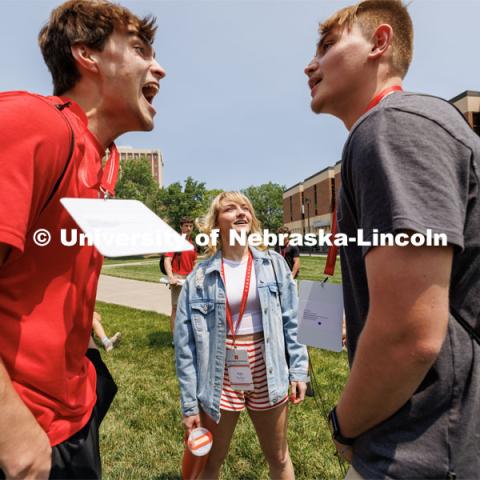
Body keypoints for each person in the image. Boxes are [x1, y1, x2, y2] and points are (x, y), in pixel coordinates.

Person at [304, 1, 480, 478]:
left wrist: (345, 423)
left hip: (420, 446)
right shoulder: (397, 129)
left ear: (380, 43)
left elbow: (409, 333)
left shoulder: (391, 127)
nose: (309, 63)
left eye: (326, 46)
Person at [0, 1, 165, 477]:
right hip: (23, 437)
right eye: (139, 49)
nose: (159, 67)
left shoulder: (105, 161)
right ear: (86, 56)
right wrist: (13, 433)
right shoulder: (33, 125)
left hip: (76, 419)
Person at [174, 191, 309, 480]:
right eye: (230, 208)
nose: (240, 212)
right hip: (219, 373)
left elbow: (292, 322)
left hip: (267, 367)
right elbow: (184, 347)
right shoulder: (199, 277)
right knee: (211, 461)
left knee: (279, 456)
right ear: (215, 223)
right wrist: (188, 404)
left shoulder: (273, 265)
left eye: (245, 208)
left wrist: (299, 370)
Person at [164, 217, 197, 335]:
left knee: (190, 308)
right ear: (181, 227)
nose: (188, 228)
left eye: (190, 226)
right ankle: (174, 337)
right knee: (176, 308)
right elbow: (167, 260)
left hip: (190, 279)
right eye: (186, 226)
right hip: (178, 279)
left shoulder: (193, 243)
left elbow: (194, 263)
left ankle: (186, 334)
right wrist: (171, 277)